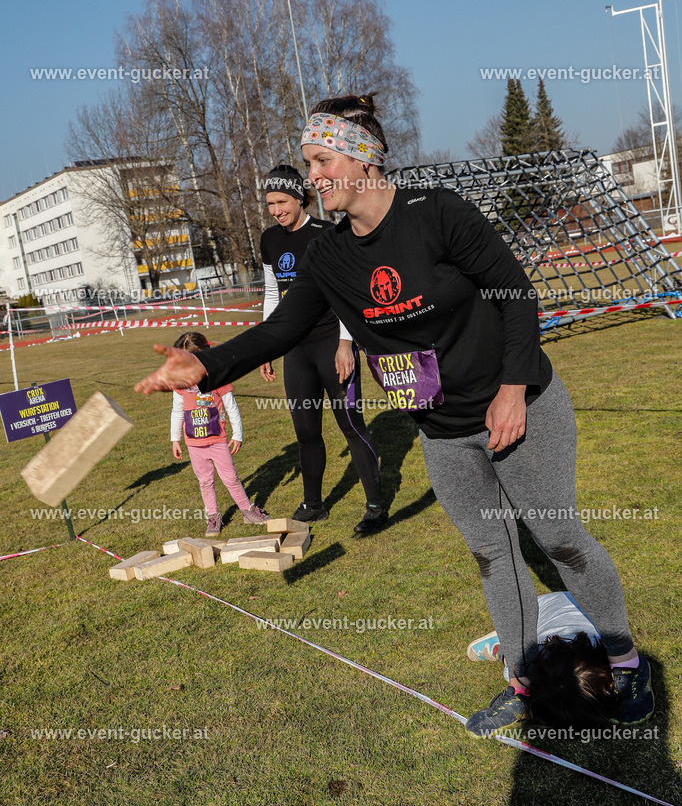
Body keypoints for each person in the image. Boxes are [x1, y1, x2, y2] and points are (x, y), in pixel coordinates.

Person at [137, 94, 654, 735]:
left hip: (519, 408)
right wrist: (207, 368)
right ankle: (522, 682)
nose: (314, 175)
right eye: (309, 163)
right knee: (494, 555)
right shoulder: (328, 255)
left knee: (560, 541)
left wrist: (514, 389)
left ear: (366, 160)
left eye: (323, 159)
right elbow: (281, 329)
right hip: (442, 431)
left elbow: (516, 294)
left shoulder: (436, 213)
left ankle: (627, 663)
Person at [259, 163, 385, 534]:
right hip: (296, 351)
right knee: (306, 432)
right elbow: (271, 294)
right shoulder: (269, 240)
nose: (277, 210)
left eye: (282, 201)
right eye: (270, 204)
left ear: (300, 197)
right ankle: (313, 505)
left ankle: (376, 505)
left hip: (334, 346)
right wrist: (269, 344)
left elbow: (347, 292)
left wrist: (347, 343)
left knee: (351, 425)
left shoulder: (328, 233)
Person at [467, 591, 623, 729]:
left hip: (580, 598)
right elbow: (515, 663)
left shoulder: (609, 658)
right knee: (515, 661)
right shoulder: (531, 660)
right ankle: (498, 647)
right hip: (537, 611)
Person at [170, 332, 270, 537]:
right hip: (194, 444)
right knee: (205, 481)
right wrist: (175, 439)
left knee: (230, 478)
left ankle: (247, 511)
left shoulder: (219, 377)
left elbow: (231, 407)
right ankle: (213, 517)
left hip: (218, 441)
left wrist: (238, 434)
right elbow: (177, 410)